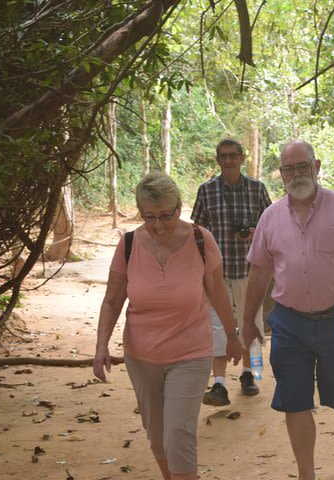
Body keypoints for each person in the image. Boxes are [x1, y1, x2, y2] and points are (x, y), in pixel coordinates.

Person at [241, 140, 334, 478]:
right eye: (288, 169)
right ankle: (307, 474)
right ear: (281, 174)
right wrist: (247, 319)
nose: (296, 174)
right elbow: (259, 270)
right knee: (294, 400)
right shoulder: (270, 217)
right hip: (289, 323)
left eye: (302, 166)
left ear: (316, 167)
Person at [92, 171, 242, 480]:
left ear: (179, 207)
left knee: (178, 431)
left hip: (191, 352)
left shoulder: (201, 239)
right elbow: (112, 300)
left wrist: (231, 335)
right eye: (150, 217)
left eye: (166, 216)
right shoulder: (130, 244)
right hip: (142, 356)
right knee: (157, 435)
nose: (158, 225)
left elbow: (216, 291)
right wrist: (101, 345)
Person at [191, 138, 272, 406]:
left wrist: (252, 234)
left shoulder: (257, 189)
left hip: (250, 268)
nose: (227, 160)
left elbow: (271, 225)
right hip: (216, 271)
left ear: (242, 158)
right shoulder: (207, 190)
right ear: (217, 160)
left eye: (232, 155)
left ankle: (249, 374)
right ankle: (219, 383)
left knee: (252, 321)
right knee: (217, 325)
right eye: (223, 156)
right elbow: (198, 230)